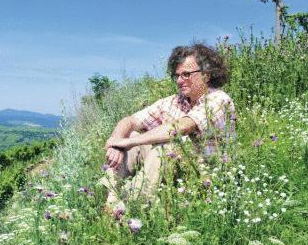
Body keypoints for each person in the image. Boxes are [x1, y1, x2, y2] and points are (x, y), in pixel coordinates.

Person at [101, 43, 237, 215]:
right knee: (133, 134)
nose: (180, 80)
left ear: (206, 75)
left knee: (168, 147)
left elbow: (180, 127)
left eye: (186, 74)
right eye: (177, 75)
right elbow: (130, 120)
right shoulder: (174, 101)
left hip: (204, 177)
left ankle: (131, 206)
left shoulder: (218, 100)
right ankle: (110, 199)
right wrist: (117, 142)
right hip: (174, 171)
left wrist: (128, 141)